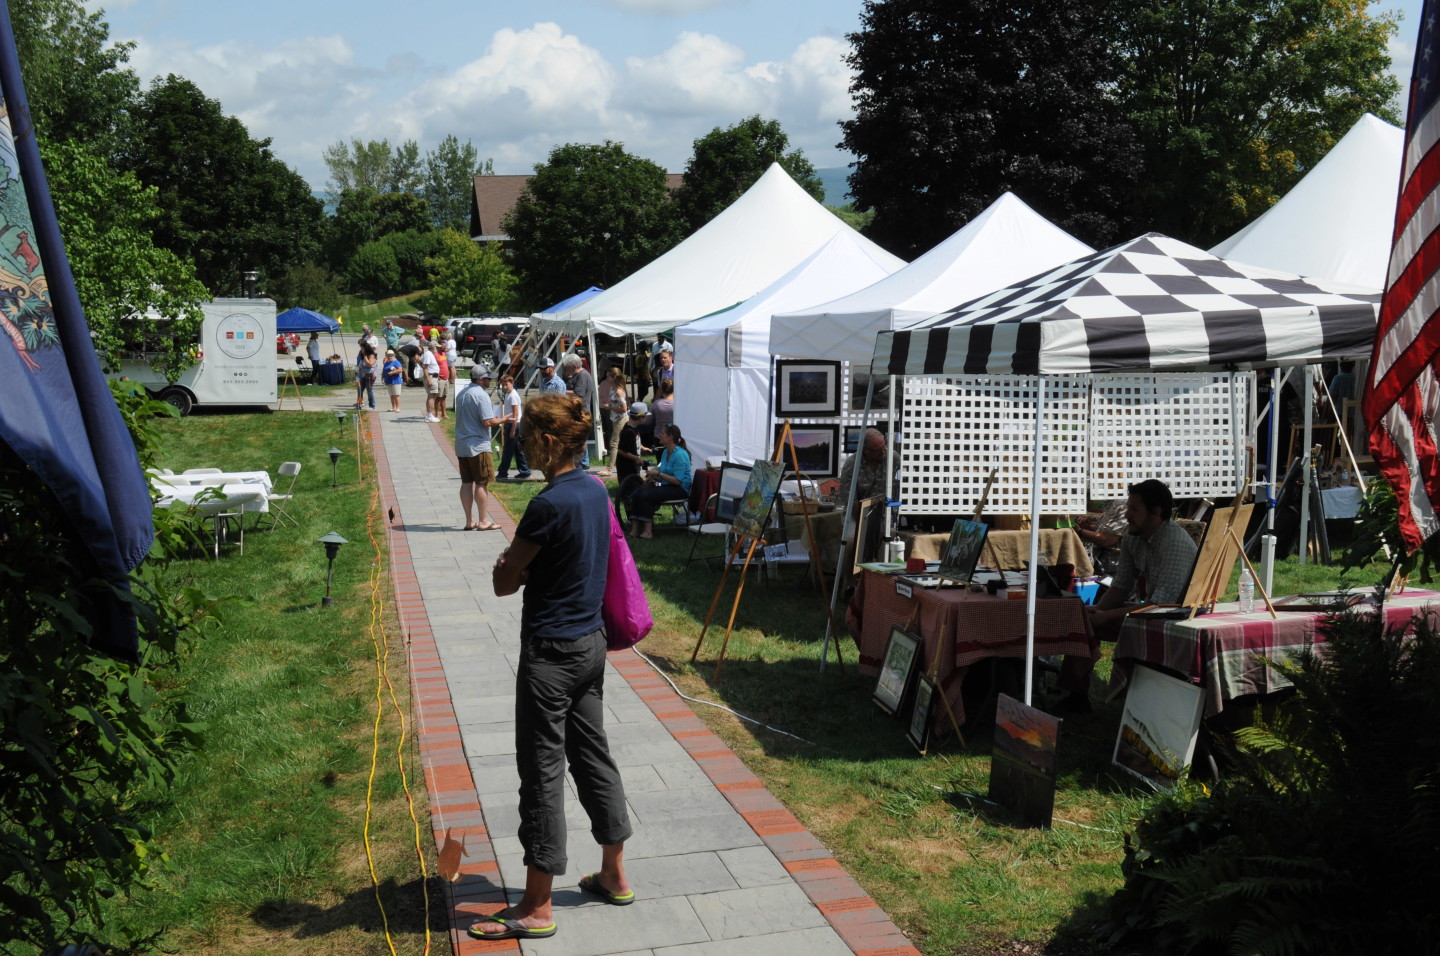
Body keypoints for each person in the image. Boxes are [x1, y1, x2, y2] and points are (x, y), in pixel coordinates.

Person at [472, 393, 633, 943]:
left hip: (550, 654)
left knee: (542, 773)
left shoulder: (548, 504)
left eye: (524, 435)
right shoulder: (594, 490)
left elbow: (503, 582)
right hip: (590, 644)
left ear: (544, 441)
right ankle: (613, 872)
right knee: (593, 754)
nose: (516, 440)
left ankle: (537, 905)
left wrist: (504, 562)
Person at [1057, 478, 1199, 712]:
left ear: (1156, 512)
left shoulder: (1174, 543)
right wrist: (1099, 609)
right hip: (1152, 612)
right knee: (1084, 620)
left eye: (1134, 509)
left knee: (1097, 619)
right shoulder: (1134, 535)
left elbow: (1160, 605)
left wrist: (1106, 615)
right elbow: (1122, 585)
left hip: (1178, 620)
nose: (1127, 515)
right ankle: (1076, 696)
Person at [455, 366, 506, 531]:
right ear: (479, 379)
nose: (489, 381)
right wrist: (504, 419)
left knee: (466, 482)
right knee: (481, 483)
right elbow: (487, 421)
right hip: (478, 445)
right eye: (487, 378)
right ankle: (484, 521)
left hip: (462, 444)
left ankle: (469, 521)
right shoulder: (481, 395)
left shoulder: (462, 393)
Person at [627, 422, 691, 539]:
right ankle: (635, 529)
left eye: (662, 433)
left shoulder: (680, 455)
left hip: (680, 489)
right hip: (669, 485)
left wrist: (658, 474)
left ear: (670, 437)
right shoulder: (666, 452)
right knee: (637, 493)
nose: (659, 435)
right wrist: (651, 477)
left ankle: (648, 531)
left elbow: (678, 481)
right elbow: (662, 470)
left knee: (646, 496)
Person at [838, 428, 897, 504]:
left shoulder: (894, 458)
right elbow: (850, 501)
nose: (883, 452)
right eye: (877, 450)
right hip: (858, 512)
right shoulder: (852, 464)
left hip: (888, 511)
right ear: (865, 450)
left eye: (884, 446)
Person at [613, 402, 648, 523]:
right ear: (640, 417)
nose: (646, 418)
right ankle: (631, 518)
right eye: (645, 416)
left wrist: (643, 448)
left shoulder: (633, 429)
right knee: (629, 493)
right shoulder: (629, 431)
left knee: (635, 490)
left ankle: (634, 516)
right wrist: (636, 459)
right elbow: (622, 450)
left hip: (632, 466)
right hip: (626, 467)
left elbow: (632, 443)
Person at [561, 354, 596, 469]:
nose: (568, 369)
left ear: (574, 366)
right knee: (578, 437)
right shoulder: (577, 375)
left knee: (580, 437)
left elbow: (579, 393)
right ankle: (580, 461)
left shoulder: (582, 375)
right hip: (576, 411)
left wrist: (562, 391)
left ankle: (583, 462)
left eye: (569, 366)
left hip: (581, 411)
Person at [496, 374, 532, 482]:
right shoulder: (508, 394)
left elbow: (515, 414)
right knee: (517, 449)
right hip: (512, 424)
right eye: (502, 385)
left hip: (514, 424)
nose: (504, 387)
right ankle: (524, 470)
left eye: (506, 385)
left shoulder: (513, 396)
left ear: (512, 383)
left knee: (508, 450)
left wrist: (512, 430)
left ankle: (502, 472)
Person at [599, 364, 629, 473]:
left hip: (620, 419)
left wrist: (609, 407)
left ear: (614, 377)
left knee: (613, 442)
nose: (607, 379)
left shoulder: (618, 391)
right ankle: (616, 464)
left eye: (609, 377)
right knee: (618, 442)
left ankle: (609, 468)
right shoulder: (613, 388)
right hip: (615, 418)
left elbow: (624, 408)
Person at [420, 341, 443, 423]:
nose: (438, 349)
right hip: (431, 377)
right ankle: (429, 415)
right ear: (433, 347)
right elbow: (424, 366)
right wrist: (429, 379)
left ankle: (428, 414)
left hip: (433, 376)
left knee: (431, 396)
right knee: (432, 396)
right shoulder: (429, 354)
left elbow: (420, 362)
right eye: (437, 347)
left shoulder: (429, 354)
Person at [354, 341, 378, 410]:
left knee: (369, 390)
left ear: (366, 349)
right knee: (360, 390)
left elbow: (370, 364)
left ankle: (372, 405)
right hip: (362, 375)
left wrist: (365, 358)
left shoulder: (371, 355)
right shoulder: (362, 356)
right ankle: (360, 403)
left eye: (362, 349)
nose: (361, 350)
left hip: (369, 375)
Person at [434, 341, 451, 420]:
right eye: (443, 346)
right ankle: (437, 414)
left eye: (445, 346)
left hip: (446, 378)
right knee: (438, 397)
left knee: (444, 396)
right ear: (438, 347)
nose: (445, 347)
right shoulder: (435, 356)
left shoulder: (444, 354)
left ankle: (444, 413)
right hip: (440, 378)